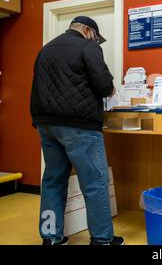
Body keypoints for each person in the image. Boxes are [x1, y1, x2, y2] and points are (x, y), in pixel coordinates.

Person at [30, 16, 124, 245]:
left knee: (53, 180)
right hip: (79, 126)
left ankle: (51, 238)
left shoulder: (46, 49)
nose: (96, 41)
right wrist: (112, 90)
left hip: (46, 125)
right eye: (96, 36)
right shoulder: (87, 46)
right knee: (94, 182)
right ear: (86, 30)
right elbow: (103, 85)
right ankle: (102, 239)